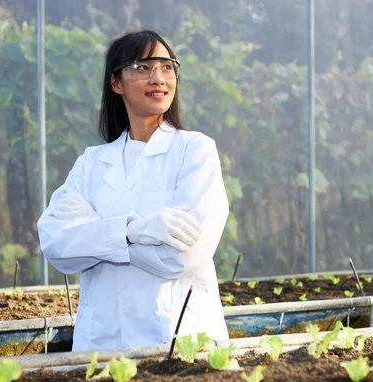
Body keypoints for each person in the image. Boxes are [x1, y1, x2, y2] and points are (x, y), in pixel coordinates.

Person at [37, 30, 230, 352]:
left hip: (175, 337)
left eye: (167, 67)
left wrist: (97, 235)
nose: (158, 78)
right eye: (143, 67)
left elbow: (183, 257)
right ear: (116, 83)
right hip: (101, 339)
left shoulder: (195, 150)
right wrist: (134, 230)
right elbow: (56, 244)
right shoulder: (92, 162)